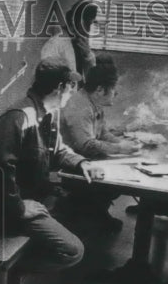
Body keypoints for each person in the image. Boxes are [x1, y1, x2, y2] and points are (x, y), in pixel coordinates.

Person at [0, 59, 104, 284]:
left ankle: (12, 266)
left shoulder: (47, 114)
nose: (72, 92)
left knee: (85, 216)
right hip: (7, 208)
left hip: (34, 198)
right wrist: (20, 207)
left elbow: (58, 150)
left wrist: (81, 162)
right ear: (59, 88)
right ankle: (6, 270)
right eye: (71, 87)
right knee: (72, 251)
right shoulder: (18, 117)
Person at [58, 54, 139, 232]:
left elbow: (103, 133)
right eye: (114, 91)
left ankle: (95, 212)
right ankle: (82, 212)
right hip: (70, 163)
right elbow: (85, 145)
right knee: (115, 182)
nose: (116, 95)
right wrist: (120, 149)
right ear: (101, 89)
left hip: (86, 158)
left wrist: (126, 145)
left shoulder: (95, 103)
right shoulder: (80, 107)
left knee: (121, 175)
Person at [40, 0, 99, 77]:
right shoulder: (55, 44)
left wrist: (88, 56)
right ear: (75, 22)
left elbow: (90, 77)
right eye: (87, 25)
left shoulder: (80, 43)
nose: (88, 30)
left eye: (90, 25)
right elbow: (46, 75)